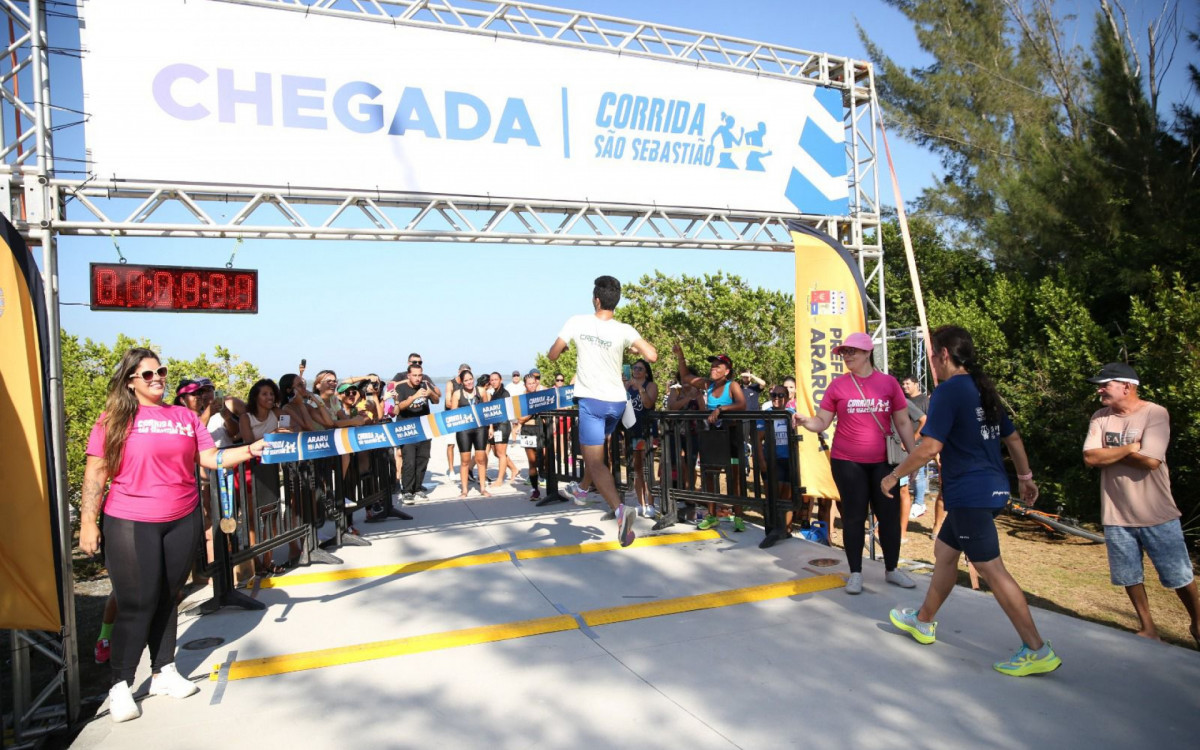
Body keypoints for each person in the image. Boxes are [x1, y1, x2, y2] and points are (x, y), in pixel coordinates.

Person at [80, 348, 266, 723]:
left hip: (182, 517)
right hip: (130, 520)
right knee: (137, 601)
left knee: (169, 595)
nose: (157, 378)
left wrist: (250, 449)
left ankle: (164, 670)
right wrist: (88, 522)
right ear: (131, 380)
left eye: (160, 371)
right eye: (147, 374)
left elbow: (211, 458)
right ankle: (120, 683)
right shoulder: (114, 418)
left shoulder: (183, 416)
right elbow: (96, 473)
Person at [883, 325, 1061, 676]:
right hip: (992, 488)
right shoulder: (982, 388)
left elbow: (930, 447)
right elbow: (1013, 437)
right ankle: (923, 620)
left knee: (992, 569)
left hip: (969, 494)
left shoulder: (949, 391)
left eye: (933, 354)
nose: (932, 360)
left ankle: (1036, 649)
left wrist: (892, 476)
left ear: (944, 354)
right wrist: (1025, 478)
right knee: (945, 553)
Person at [1082, 362, 1200, 648]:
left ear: (1127, 386)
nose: (1100, 390)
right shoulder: (1100, 416)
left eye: (1105, 384)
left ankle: (1197, 623)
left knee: (1179, 574)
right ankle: (1148, 627)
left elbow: (1151, 460)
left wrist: (1108, 452)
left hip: (1157, 513)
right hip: (1116, 513)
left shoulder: (1155, 413)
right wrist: (1131, 447)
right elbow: (1090, 458)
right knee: (1128, 575)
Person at [794, 332, 917, 593]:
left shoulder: (889, 383)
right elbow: (822, 422)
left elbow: (903, 421)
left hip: (884, 462)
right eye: (844, 352)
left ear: (867, 353)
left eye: (852, 351)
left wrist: (914, 455)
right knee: (853, 517)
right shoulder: (838, 386)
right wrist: (807, 422)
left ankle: (892, 569)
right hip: (847, 461)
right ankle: (856, 573)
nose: (847, 356)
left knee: (889, 517)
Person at [549, 275, 657, 547]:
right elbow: (652, 356)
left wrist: (562, 351)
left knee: (595, 461)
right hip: (617, 404)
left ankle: (621, 511)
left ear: (595, 299)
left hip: (592, 402)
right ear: (615, 302)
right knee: (594, 454)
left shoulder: (577, 322)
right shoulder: (624, 329)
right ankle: (583, 489)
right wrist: (630, 345)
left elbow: (552, 354)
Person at [672, 347, 747, 531]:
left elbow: (742, 404)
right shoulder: (708, 385)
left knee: (734, 478)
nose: (713, 368)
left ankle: (738, 517)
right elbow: (686, 378)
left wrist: (721, 409)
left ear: (727, 371)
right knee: (710, 477)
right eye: (712, 366)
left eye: (718, 366)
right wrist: (681, 356)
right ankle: (712, 515)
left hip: (731, 439)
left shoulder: (732, 385)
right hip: (712, 438)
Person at [758, 386, 798, 548]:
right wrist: (761, 461)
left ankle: (785, 531)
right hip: (771, 460)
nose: (776, 397)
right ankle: (772, 529)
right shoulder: (766, 414)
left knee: (787, 498)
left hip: (789, 460)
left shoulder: (791, 414)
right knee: (772, 497)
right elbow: (757, 439)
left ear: (788, 397)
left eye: (780, 395)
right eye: (773, 394)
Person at [395, 363, 439, 502]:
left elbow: (437, 401)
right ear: (408, 375)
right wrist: (414, 397)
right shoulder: (401, 387)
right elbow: (400, 407)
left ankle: (418, 488)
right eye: (414, 375)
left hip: (424, 428)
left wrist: (430, 393)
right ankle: (407, 490)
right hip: (407, 429)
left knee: (423, 459)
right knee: (409, 461)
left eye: (420, 375)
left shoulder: (425, 385)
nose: (417, 378)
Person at [449, 369, 492, 498]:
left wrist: (490, 428)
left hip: (480, 429)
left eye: (471, 379)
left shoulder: (481, 391)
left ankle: (483, 488)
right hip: (464, 430)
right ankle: (464, 490)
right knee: (465, 460)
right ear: (462, 382)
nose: (469, 382)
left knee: (481, 458)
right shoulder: (457, 394)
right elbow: (453, 414)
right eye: (466, 380)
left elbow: (487, 410)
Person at [624, 359, 659, 517]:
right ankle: (641, 502)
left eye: (640, 368)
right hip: (634, 431)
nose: (636, 371)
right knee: (637, 467)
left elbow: (648, 404)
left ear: (646, 372)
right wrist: (623, 389)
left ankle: (651, 503)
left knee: (648, 467)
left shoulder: (650, 386)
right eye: (634, 368)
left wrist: (639, 389)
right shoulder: (628, 386)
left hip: (648, 431)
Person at [901, 374, 931, 518]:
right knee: (909, 475)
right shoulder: (903, 400)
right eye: (903, 384)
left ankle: (919, 503)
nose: (905, 387)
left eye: (908, 384)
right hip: (904, 443)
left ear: (916, 384)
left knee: (918, 474)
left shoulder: (924, 400)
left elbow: (928, 420)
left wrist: (917, 438)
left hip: (918, 442)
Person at [516, 372, 545, 500]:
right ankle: (535, 489)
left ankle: (548, 485)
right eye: (529, 383)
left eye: (534, 383)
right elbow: (520, 419)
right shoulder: (521, 398)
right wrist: (533, 410)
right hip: (527, 429)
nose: (532, 385)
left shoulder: (541, 396)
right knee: (532, 461)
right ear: (525, 385)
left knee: (543, 458)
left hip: (541, 428)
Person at [487, 372, 519, 488]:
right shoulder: (494, 393)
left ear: (500, 380)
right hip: (495, 426)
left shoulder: (504, 393)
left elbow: (506, 411)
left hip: (503, 425)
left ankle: (500, 480)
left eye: (496, 379)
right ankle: (514, 469)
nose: (494, 381)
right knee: (497, 452)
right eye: (492, 380)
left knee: (500, 454)